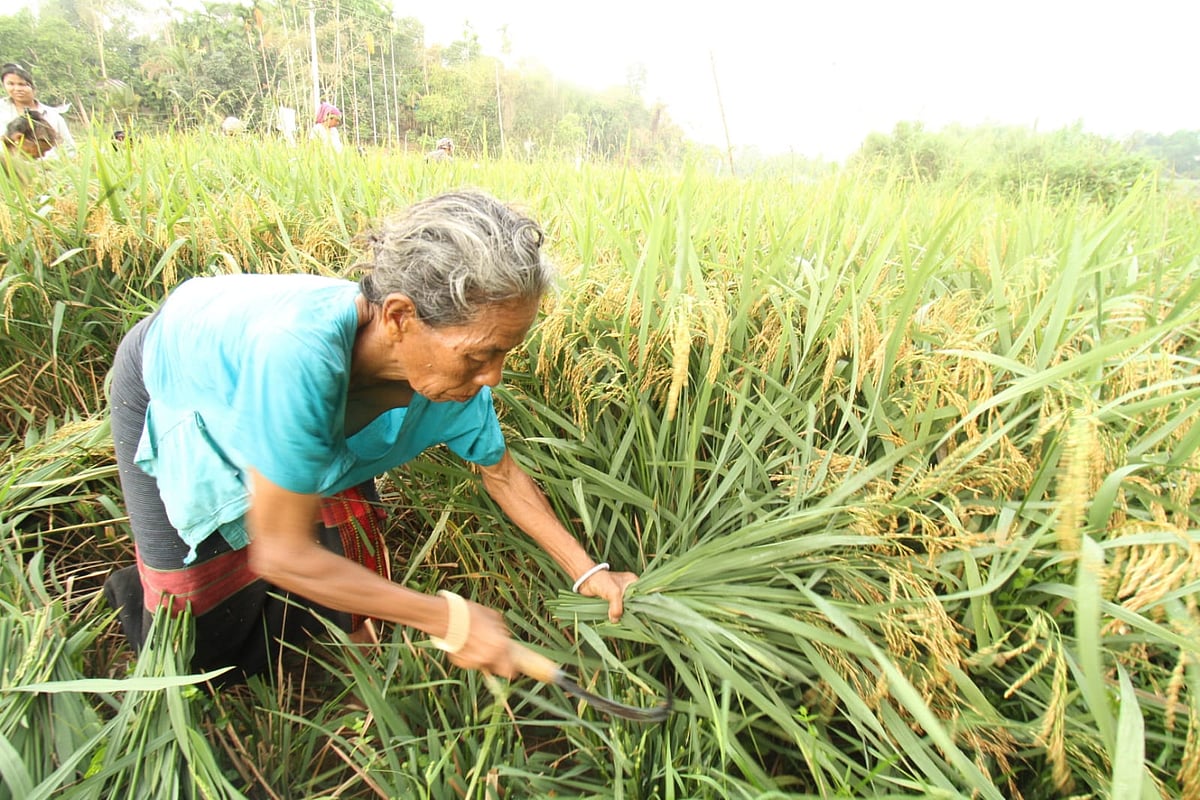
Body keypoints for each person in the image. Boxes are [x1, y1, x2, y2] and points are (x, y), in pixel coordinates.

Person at [102, 189, 636, 683]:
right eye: (480, 354)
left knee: (343, 534)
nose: (493, 376)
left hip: (304, 404)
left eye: (504, 353)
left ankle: (355, 662)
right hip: (178, 376)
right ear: (401, 316)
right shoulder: (297, 355)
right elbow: (281, 552)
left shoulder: (455, 386)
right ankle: (159, 641)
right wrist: (448, 618)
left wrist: (587, 571)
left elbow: (501, 473)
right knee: (194, 604)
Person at [0, 62, 75, 158]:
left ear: (32, 87)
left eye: (22, 84)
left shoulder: (52, 116)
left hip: (48, 169)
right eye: (10, 84)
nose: (17, 88)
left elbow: (70, 149)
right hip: (8, 168)